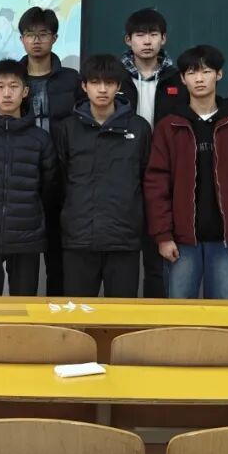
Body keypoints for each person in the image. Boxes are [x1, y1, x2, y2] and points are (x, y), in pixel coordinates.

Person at [145, 45, 228, 300]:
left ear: (219, 75)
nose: (199, 79)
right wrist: (163, 235)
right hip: (180, 241)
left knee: (224, 316)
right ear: (182, 78)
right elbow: (156, 184)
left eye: (206, 71)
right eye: (192, 73)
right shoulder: (169, 127)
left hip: (226, 240)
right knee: (179, 315)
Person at [55, 54, 150, 297]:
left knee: (120, 314)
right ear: (84, 86)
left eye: (109, 82)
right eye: (95, 82)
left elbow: (146, 179)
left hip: (124, 238)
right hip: (79, 238)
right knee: (77, 314)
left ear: (118, 86)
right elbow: (59, 181)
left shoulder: (139, 128)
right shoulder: (67, 128)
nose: (102, 89)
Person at [0, 59, 57, 295]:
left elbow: (49, 188)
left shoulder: (40, 139)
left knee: (23, 306)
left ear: (25, 92)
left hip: (27, 235)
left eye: (14, 86)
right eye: (0, 86)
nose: (7, 93)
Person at [120, 8, 187, 297]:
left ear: (163, 39)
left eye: (153, 35)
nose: (147, 41)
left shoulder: (179, 78)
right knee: (122, 258)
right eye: (140, 35)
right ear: (128, 40)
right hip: (123, 170)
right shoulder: (114, 78)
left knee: (159, 259)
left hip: (166, 173)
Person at [17, 6, 80, 296]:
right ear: (22, 39)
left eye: (43, 34)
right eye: (30, 34)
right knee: (23, 262)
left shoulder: (72, 80)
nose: (36, 40)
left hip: (63, 177)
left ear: (54, 38)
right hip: (23, 177)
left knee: (59, 259)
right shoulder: (12, 78)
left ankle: (58, 314)